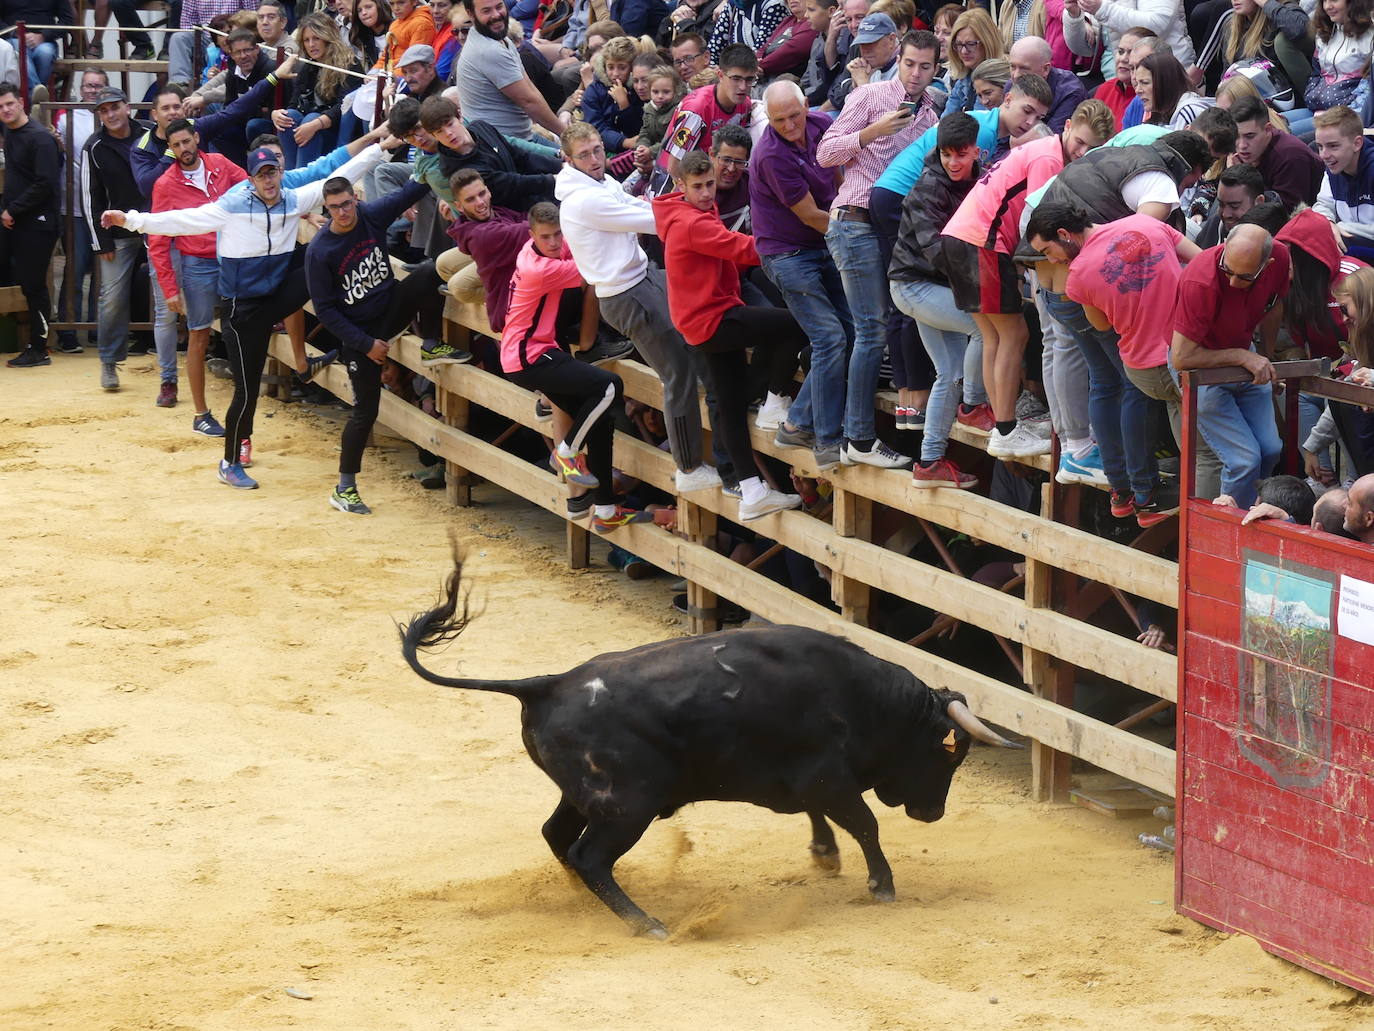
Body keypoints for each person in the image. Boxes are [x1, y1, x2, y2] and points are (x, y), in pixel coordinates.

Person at [102, 141, 389, 490]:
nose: (269, 181)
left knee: (319, 256)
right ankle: (230, 460)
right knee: (247, 391)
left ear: (281, 174)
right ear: (251, 179)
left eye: (273, 173)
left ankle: (357, 331)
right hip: (243, 312)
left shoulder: (293, 200)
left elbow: (339, 178)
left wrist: (383, 147)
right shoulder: (231, 206)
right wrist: (131, 220)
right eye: (261, 175)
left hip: (276, 295)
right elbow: (180, 221)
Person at [940, 99, 1113, 459]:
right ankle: (1005, 429)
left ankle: (1002, 426)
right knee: (1013, 334)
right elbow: (1038, 219)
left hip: (961, 236)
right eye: (1079, 142)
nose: (1082, 152)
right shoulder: (1049, 158)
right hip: (983, 241)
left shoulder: (1044, 149)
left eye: (1091, 148)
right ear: (1066, 127)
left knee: (993, 336)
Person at [556, 121, 720, 492]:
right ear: (569, 159)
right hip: (626, 293)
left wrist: (683, 198)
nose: (595, 159)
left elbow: (641, 205)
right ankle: (689, 468)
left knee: (691, 352)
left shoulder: (600, 184)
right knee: (677, 374)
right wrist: (692, 200)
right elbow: (650, 219)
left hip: (642, 280)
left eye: (598, 149)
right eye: (585, 155)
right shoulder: (586, 198)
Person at [654, 150, 807, 520]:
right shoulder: (692, 222)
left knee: (730, 404)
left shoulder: (685, 211)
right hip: (713, 320)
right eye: (698, 186)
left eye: (710, 184)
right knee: (793, 324)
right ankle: (774, 400)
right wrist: (792, 238)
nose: (707, 192)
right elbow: (741, 249)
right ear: (680, 185)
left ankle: (752, 489)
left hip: (703, 320)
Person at [1027, 201, 1201, 526]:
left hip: (1139, 351)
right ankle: (1145, 494)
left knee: (1108, 383)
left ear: (1064, 234)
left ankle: (1124, 492)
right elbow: (1201, 259)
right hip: (1173, 348)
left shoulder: (1077, 276)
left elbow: (1103, 326)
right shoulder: (1147, 223)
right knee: (1129, 388)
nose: (1051, 261)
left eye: (1048, 251)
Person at [818, 28, 941, 468]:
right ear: (899, 59)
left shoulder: (931, 115)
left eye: (925, 66)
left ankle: (858, 435)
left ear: (935, 69)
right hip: (853, 219)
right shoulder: (869, 96)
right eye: (909, 63)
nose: (915, 73)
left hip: (892, 227)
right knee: (870, 331)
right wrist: (872, 132)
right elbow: (825, 152)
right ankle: (858, 439)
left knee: (885, 325)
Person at [501, 202, 648, 532]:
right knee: (610, 386)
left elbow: (579, 246)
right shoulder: (541, 269)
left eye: (557, 235)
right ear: (532, 236)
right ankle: (565, 452)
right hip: (529, 356)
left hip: (537, 350)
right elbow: (594, 267)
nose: (554, 243)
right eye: (546, 237)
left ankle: (606, 509)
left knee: (602, 416)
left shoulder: (535, 248)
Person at [305, 174, 446, 515]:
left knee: (430, 273)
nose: (343, 213)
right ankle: (345, 488)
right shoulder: (320, 251)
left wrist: (434, 158)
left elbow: (409, 191)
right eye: (335, 207)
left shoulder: (369, 215)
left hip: (388, 309)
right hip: (358, 332)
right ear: (327, 207)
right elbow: (325, 310)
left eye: (347, 204)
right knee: (366, 410)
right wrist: (365, 344)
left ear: (355, 199)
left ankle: (431, 342)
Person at [751, 80, 854, 471]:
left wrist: (850, 207)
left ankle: (797, 422)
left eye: (794, 115)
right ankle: (826, 440)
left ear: (806, 105)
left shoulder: (821, 123)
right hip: (787, 254)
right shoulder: (770, 155)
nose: (790, 125)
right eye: (780, 120)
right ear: (769, 119)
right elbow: (810, 215)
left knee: (852, 332)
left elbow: (840, 177)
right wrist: (857, 230)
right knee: (829, 338)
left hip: (820, 245)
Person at [889, 113, 988, 489]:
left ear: (976, 151)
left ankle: (929, 462)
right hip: (913, 285)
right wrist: (984, 284)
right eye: (946, 155)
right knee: (983, 329)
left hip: (931, 286)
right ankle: (973, 407)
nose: (953, 163)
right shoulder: (929, 186)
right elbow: (937, 252)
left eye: (961, 155)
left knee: (947, 372)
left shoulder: (978, 178)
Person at [1169, 224, 1288, 509]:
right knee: (1243, 460)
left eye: (1245, 277)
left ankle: (1255, 516)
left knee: (1272, 450)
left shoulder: (1280, 258)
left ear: (1266, 264)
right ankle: (1228, 535)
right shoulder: (1201, 280)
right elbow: (1182, 358)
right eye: (1228, 270)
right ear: (1223, 245)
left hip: (1243, 356)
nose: (1234, 282)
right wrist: (1244, 357)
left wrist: (1266, 358)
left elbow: (1274, 306)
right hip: (1200, 365)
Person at [0, 81, 60, 370]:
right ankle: (36, 344)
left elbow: (45, 183)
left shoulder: (39, 138)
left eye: (9, 103)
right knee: (27, 282)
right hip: (20, 221)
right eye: (0, 107)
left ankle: (40, 347)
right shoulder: (10, 133)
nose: (6, 109)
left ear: (21, 101)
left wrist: (13, 209)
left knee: (34, 285)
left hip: (38, 222)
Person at [649, 41, 759, 194]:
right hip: (672, 185)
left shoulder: (745, 104)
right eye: (736, 79)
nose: (742, 87)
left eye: (749, 80)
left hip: (708, 182)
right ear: (720, 75)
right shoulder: (696, 111)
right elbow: (673, 167)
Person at [454, 0, 568, 143]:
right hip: (505, 145)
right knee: (574, 161)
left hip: (520, 136)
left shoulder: (501, 40)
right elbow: (529, 102)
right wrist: (567, 135)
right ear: (471, 14)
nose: (496, 15)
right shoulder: (488, 50)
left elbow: (531, 91)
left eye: (499, 7)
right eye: (486, 11)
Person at [422, 95, 560, 211]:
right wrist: (553, 179)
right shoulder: (455, 169)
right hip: (516, 214)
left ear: (460, 117)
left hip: (537, 193)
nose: (448, 133)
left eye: (449, 124)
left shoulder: (481, 127)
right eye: (439, 131)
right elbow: (511, 184)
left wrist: (560, 166)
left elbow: (519, 155)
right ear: (434, 135)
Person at [272, 12, 362, 169]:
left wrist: (316, 124)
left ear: (328, 38)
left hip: (338, 132)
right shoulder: (308, 66)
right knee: (289, 117)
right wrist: (277, 114)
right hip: (309, 127)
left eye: (316, 38)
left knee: (311, 119)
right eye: (307, 40)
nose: (311, 44)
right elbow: (294, 103)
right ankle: (290, 173)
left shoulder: (350, 64)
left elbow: (344, 107)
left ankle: (302, 178)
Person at [1230, 93, 1324, 211]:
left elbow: (1287, 214)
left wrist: (1244, 180)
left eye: (1250, 136)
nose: (1242, 145)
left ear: (1268, 129)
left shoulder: (1290, 157)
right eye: (1236, 136)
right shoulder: (1239, 153)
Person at [1314, 104, 1374, 264]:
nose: (1324, 155)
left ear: (1357, 143)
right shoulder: (1334, 168)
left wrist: (1343, 228)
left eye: (1333, 146)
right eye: (1320, 147)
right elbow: (1323, 204)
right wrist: (1328, 224)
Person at [1008, 35, 1084, 131]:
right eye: (1012, 67)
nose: (1016, 75)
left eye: (1024, 69)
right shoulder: (1012, 85)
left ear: (1045, 69)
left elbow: (1051, 138)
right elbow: (1003, 136)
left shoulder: (1070, 92)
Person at [942, 7, 1004, 115]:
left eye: (970, 44)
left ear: (988, 42)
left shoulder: (1002, 81)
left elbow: (982, 125)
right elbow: (944, 122)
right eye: (959, 45)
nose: (964, 51)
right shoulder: (963, 81)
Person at [1196, 163, 1275, 248]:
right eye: (1221, 204)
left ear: (1259, 202)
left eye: (1234, 206)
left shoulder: (1275, 239)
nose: (1225, 214)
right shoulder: (1214, 224)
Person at [1126, 51, 1210, 129]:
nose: (1138, 90)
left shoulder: (1189, 111)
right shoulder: (1160, 115)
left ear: (1165, 82)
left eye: (1145, 82)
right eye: (1137, 84)